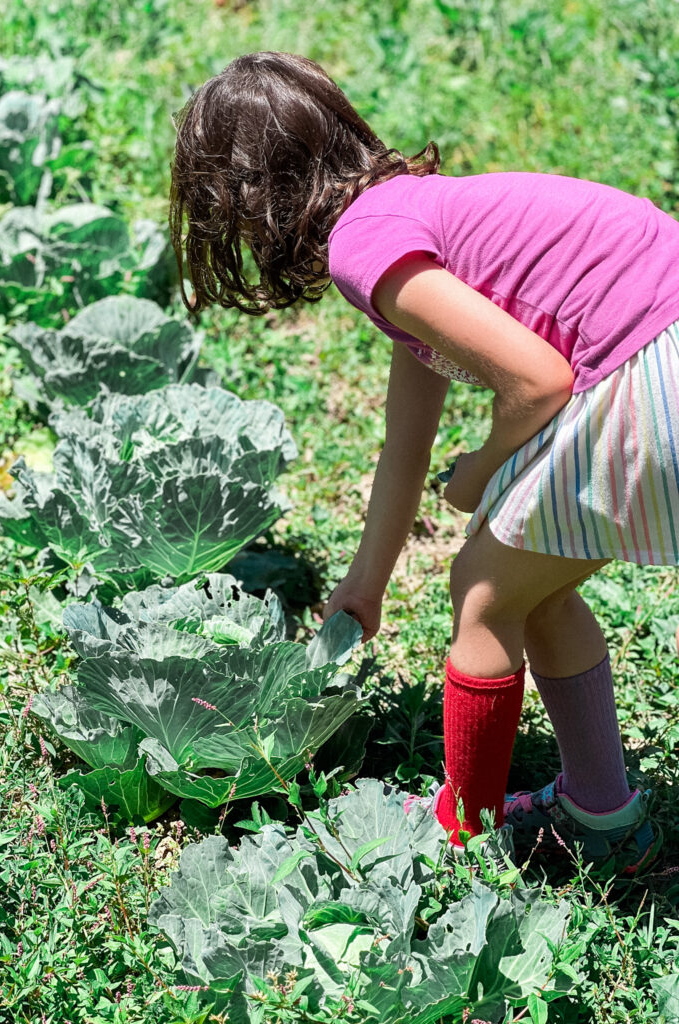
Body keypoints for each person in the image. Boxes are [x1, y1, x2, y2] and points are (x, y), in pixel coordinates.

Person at [169, 50, 676, 876]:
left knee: (479, 592)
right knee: (530, 591)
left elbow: (537, 380)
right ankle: (604, 814)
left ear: (247, 200)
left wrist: (480, 469)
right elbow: (404, 447)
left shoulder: (364, 247)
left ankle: (464, 835)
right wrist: (366, 582)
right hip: (659, 350)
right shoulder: (409, 224)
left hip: (652, 368)